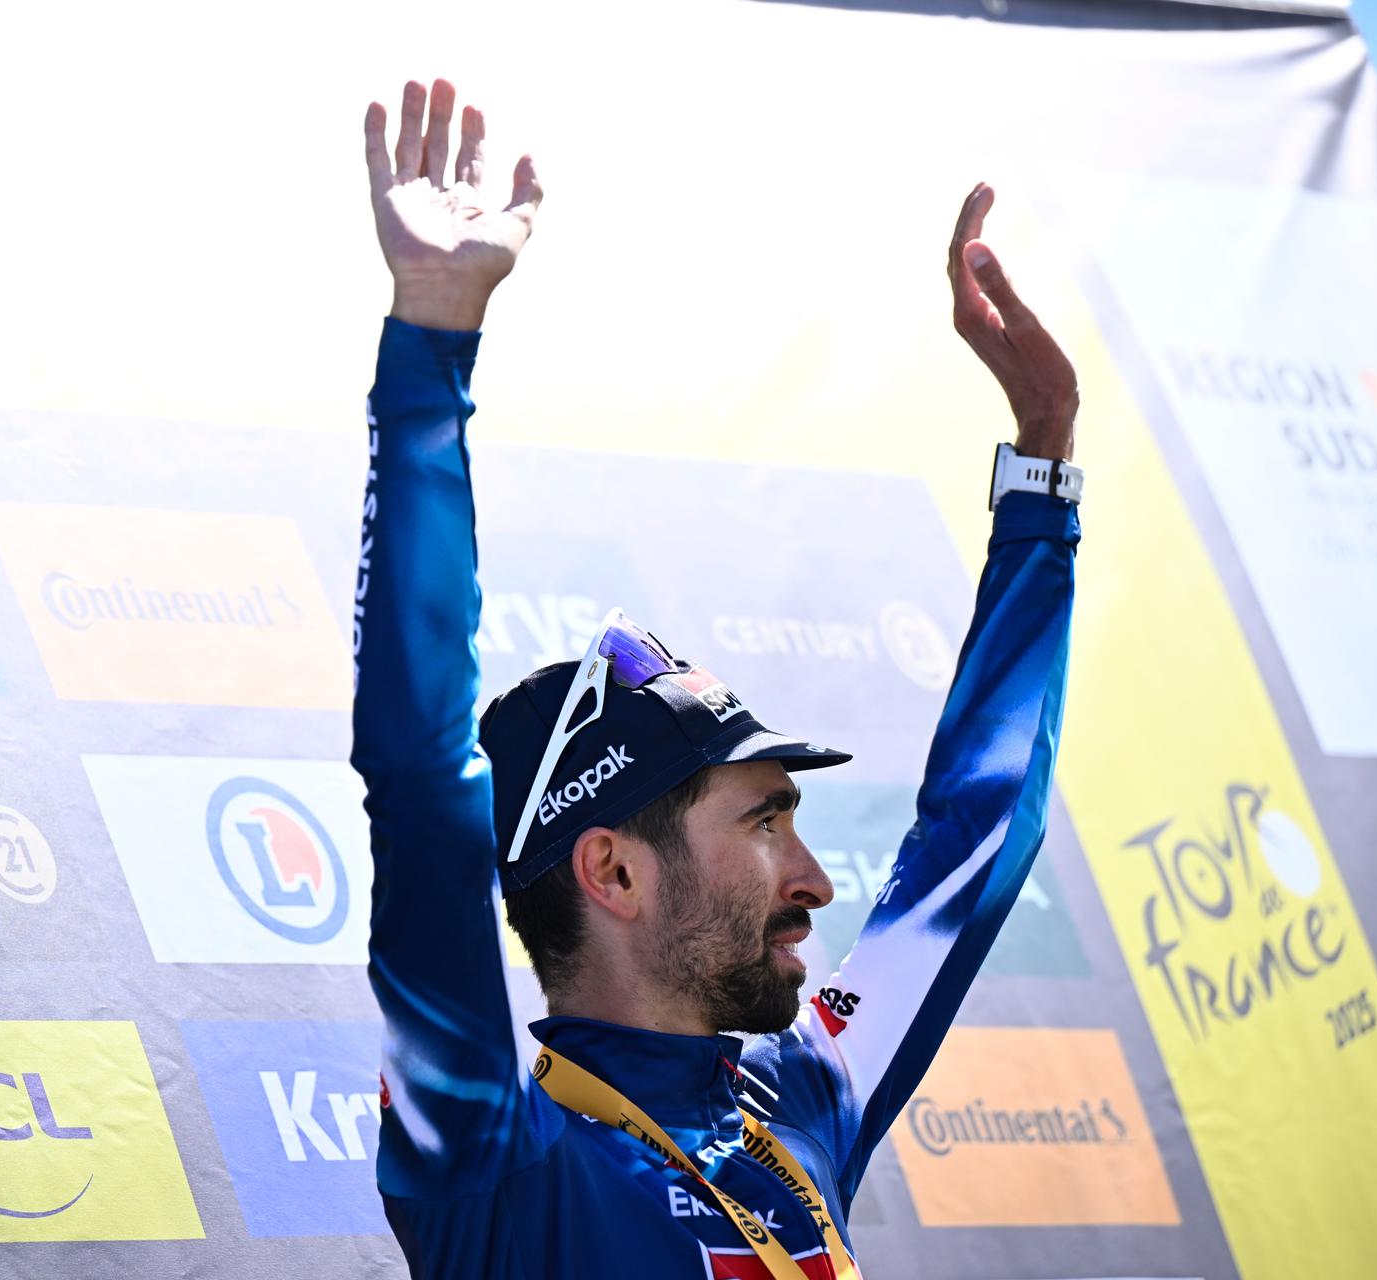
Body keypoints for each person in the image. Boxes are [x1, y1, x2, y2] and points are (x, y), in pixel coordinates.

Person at [351, 78, 1083, 1280]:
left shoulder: (801, 1103)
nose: (814, 877)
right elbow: (424, 783)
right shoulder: (491, 1156)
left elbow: (977, 831)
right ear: (617, 869)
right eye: (763, 822)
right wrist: (431, 344)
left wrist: (1042, 474)